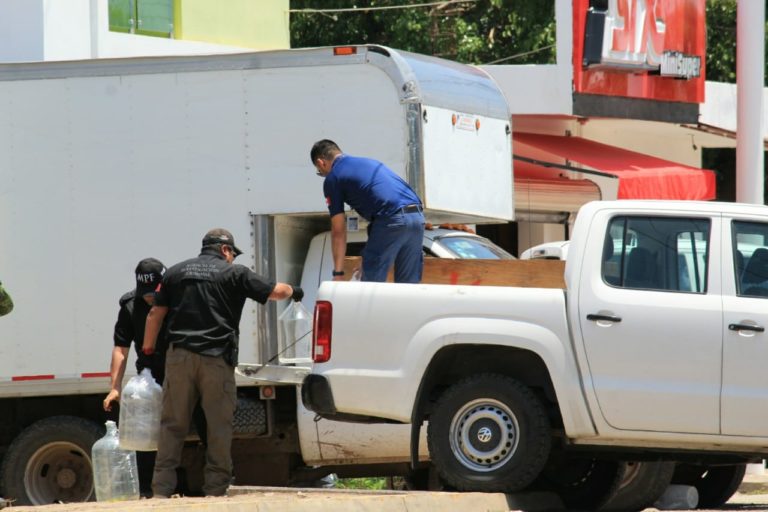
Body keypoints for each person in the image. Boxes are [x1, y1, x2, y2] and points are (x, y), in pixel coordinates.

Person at [144, 228, 303, 498]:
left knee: (172, 424)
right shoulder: (234, 273)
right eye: (232, 253)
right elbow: (275, 291)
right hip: (215, 360)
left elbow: (155, 312)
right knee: (218, 425)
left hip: (179, 357)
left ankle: (161, 491)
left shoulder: (175, 272)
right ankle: (215, 491)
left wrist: (148, 348)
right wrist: (295, 290)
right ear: (225, 250)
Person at [310, 139, 425, 283]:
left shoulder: (333, 178)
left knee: (370, 287)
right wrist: (368, 258)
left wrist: (338, 273)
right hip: (417, 216)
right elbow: (380, 214)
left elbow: (338, 230)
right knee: (408, 287)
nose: (323, 175)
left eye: (320, 172)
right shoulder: (369, 163)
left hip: (391, 220)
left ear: (321, 163)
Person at [103, 258, 167, 497]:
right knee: (145, 434)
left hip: (179, 374)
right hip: (149, 378)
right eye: (145, 293)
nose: (149, 297)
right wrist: (115, 387)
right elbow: (121, 348)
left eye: (153, 292)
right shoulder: (131, 306)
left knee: (176, 431)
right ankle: (147, 492)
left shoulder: (179, 299)